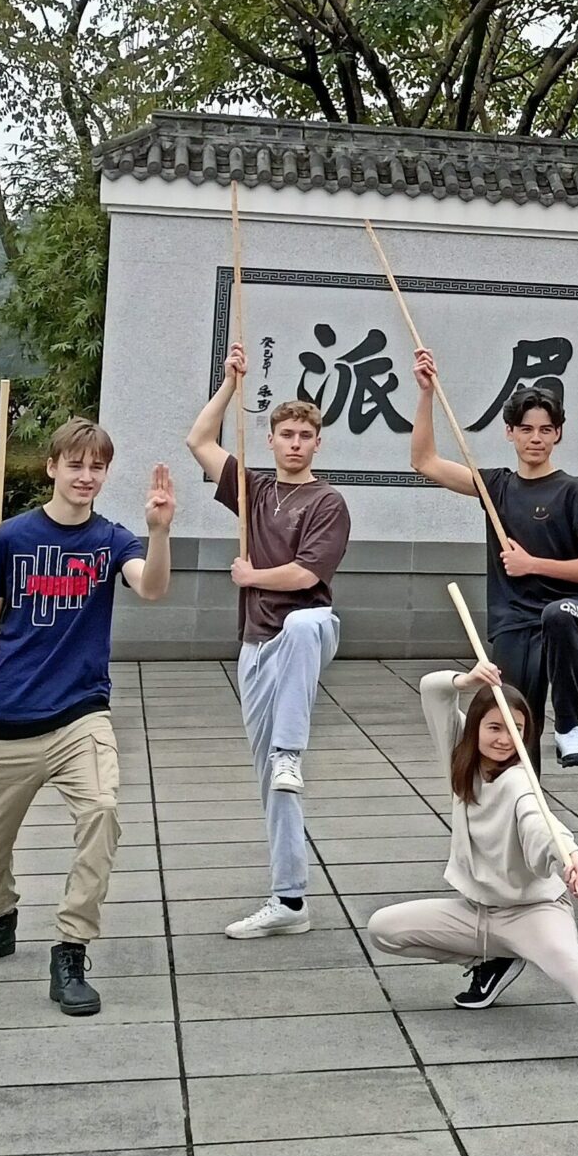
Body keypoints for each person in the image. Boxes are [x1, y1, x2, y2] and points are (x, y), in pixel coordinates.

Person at [0, 420, 174, 1017]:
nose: (84, 476)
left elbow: (149, 587)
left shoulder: (111, 540)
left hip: (81, 714)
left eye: (96, 467)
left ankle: (71, 947)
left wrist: (159, 532)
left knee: (102, 811)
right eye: (74, 465)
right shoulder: (11, 539)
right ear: (51, 467)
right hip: (8, 715)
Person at [366, 665, 578, 1084]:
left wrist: (567, 853)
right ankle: (494, 957)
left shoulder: (519, 782)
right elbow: (431, 690)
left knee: (565, 958)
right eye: (494, 727)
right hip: (477, 912)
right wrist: (467, 681)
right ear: (474, 726)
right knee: (383, 929)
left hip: (533, 911)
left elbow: (542, 824)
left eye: (514, 729)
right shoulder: (460, 758)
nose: (503, 739)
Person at [187, 341, 351, 940]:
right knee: (273, 785)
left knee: (304, 620)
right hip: (255, 646)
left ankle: (291, 750)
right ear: (274, 438)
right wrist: (231, 383)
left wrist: (252, 575)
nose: (294, 442)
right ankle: (289, 900)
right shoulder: (254, 491)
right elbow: (199, 442)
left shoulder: (327, 501)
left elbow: (309, 576)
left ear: (316, 442)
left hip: (307, 633)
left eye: (304, 435)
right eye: (285, 433)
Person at [411, 349, 578, 769]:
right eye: (525, 429)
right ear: (509, 433)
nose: (535, 438)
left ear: (558, 433)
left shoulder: (572, 492)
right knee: (514, 728)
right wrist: (427, 393)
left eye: (545, 429)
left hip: (571, 613)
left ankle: (570, 725)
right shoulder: (496, 488)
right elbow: (424, 461)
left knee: (558, 615)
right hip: (514, 622)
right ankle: (525, 816)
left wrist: (534, 564)